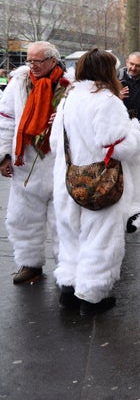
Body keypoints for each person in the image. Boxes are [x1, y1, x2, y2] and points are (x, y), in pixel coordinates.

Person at [49, 48, 140, 315]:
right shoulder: (106, 101)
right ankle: (92, 295)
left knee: (70, 235)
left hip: (68, 179)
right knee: (100, 237)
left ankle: (68, 287)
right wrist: (136, 134)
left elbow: (55, 143)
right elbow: (116, 146)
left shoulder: (69, 99)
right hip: (100, 181)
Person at [0, 41, 70, 284]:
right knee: (23, 217)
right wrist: (4, 156)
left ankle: (67, 270)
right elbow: (6, 120)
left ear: (52, 60)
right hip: (25, 161)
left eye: (36, 61)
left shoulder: (69, 85)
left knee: (64, 220)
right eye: (29, 60)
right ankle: (30, 263)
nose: (31, 65)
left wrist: (62, 118)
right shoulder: (18, 83)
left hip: (58, 163)